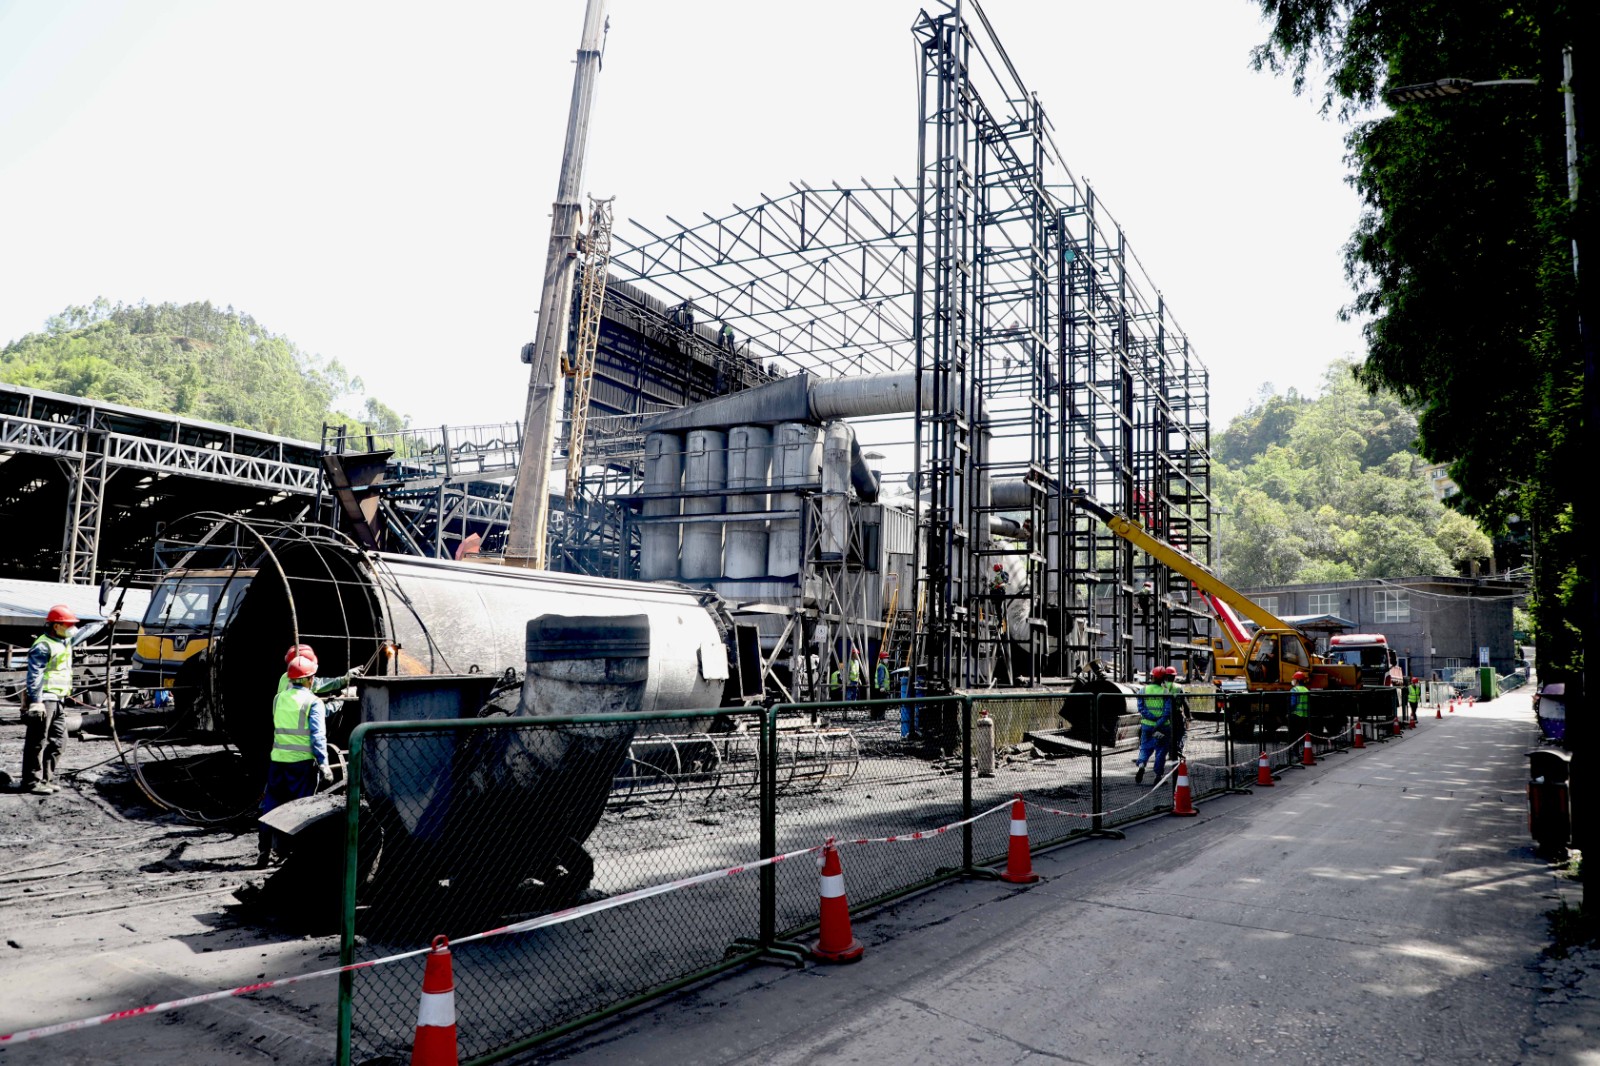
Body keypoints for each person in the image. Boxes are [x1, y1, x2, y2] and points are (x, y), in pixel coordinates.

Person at [16, 605, 107, 794]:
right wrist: (36, 701)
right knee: (37, 741)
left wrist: (107, 621)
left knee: (59, 741)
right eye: (69, 625)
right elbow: (35, 675)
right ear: (57, 626)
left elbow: (85, 631)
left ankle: (46, 779)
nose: (72, 628)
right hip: (45, 700)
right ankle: (31, 782)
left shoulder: (65, 641)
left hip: (59, 700)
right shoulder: (43, 645)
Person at [258, 654, 333, 868]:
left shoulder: (278, 698)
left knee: (272, 805)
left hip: (278, 761)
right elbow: (318, 737)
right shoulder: (313, 702)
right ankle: (297, 854)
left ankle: (264, 849)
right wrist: (324, 764)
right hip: (301, 764)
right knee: (301, 807)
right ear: (310, 679)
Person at [1134, 667, 1175, 785]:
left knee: (1144, 747)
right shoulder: (1166, 692)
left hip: (1147, 726)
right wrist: (1158, 722)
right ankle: (1158, 776)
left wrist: (1151, 718)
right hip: (1163, 727)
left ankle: (1142, 765)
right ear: (1164, 678)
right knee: (1161, 751)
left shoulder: (1143, 691)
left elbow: (1141, 708)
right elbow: (1167, 712)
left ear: (1152, 676)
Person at [275, 643, 362, 697]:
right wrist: (344, 696)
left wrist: (344, 679)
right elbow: (323, 711)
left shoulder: (285, 677)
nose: (312, 677)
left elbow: (319, 683)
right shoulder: (302, 693)